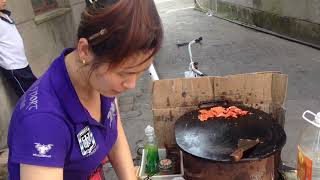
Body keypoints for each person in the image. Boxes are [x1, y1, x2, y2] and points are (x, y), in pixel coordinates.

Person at [7, 0, 163, 179]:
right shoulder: (43, 123)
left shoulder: (101, 84)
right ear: (84, 51)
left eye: (140, 72)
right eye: (124, 73)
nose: (131, 84)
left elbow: (113, 125)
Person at [0, 0, 37, 97]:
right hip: (13, 67)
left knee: (36, 91)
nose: (4, 0)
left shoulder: (4, 15)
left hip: (22, 62)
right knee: (29, 99)